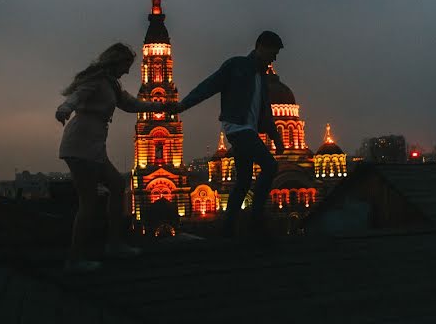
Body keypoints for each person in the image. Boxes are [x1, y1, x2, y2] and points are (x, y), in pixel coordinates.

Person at [56, 42, 172, 272]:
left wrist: (162, 107)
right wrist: (64, 109)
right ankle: (75, 258)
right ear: (115, 62)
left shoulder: (111, 85)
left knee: (118, 185)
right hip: (81, 143)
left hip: (93, 144)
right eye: (126, 65)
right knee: (88, 203)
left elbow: (131, 104)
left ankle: (114, 243)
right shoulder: (97, 80)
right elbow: (77, 97)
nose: (127, 71)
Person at [172, 31, 285, 238]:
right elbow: (210, 85)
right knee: (270, 166)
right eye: (273, 52)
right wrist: (183, 105)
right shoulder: (237, 66)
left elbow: (264, 112)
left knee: (242, 181)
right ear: (261, 46)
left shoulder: (261, 77)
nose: (274, 58)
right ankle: (256, 221)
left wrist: (276, 138)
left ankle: (227, 230)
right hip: (237, 128)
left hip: (248, 130)